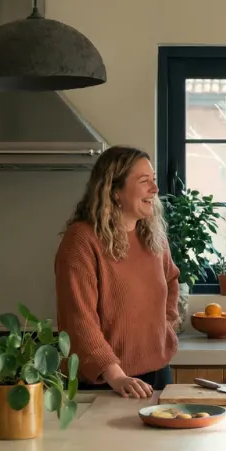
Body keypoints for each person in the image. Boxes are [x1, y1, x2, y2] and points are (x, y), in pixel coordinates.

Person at [55, 146, 179, 398]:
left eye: (153, 180)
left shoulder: (153, 237)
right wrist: (116, 375)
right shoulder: (81, 241)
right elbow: (79, 319)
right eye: (144, 181)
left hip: (158, 373)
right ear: (114, 191)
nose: (155, 189)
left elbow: (171, 281)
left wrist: (164, 327)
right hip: (104, 382)